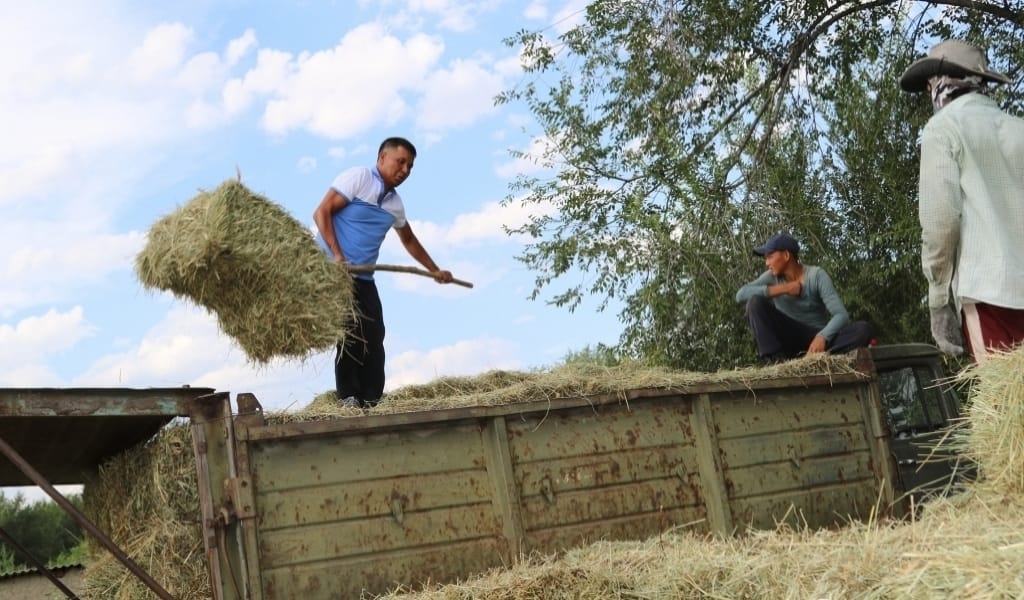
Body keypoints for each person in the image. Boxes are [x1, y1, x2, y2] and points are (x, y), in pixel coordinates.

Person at [899, 40, 1024, 363]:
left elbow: (942, 221)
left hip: (990, 292)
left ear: (942, 81)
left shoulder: (943, 129)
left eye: (929, 85)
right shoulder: (1017, 129)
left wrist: (939, 298)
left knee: (1006, 410)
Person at [313, 137, 453, 408]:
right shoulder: (360, 177)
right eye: (400, 162)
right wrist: (338, 256)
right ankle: (349, 397)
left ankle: (372, 398)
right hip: (333, 271)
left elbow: (409, 240)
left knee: (375, 334)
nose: (405, 170)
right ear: (381, 158)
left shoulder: (395, 204)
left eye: (410, 167)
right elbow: (322, 212)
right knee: (351, 331)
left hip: (363, 276)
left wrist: (436, 271)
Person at [736, 233, 873, 363]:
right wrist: (785, 288)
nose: (767, 263)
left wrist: (822, 337)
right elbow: (741, 294)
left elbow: (841, 315)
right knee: (754, 303)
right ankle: (777, 361)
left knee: (863, 330)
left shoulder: (816, 275)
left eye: (770, 256)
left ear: (786, 255)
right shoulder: (771, 277)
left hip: (816, 338)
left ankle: (814, 359)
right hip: (788, 340)